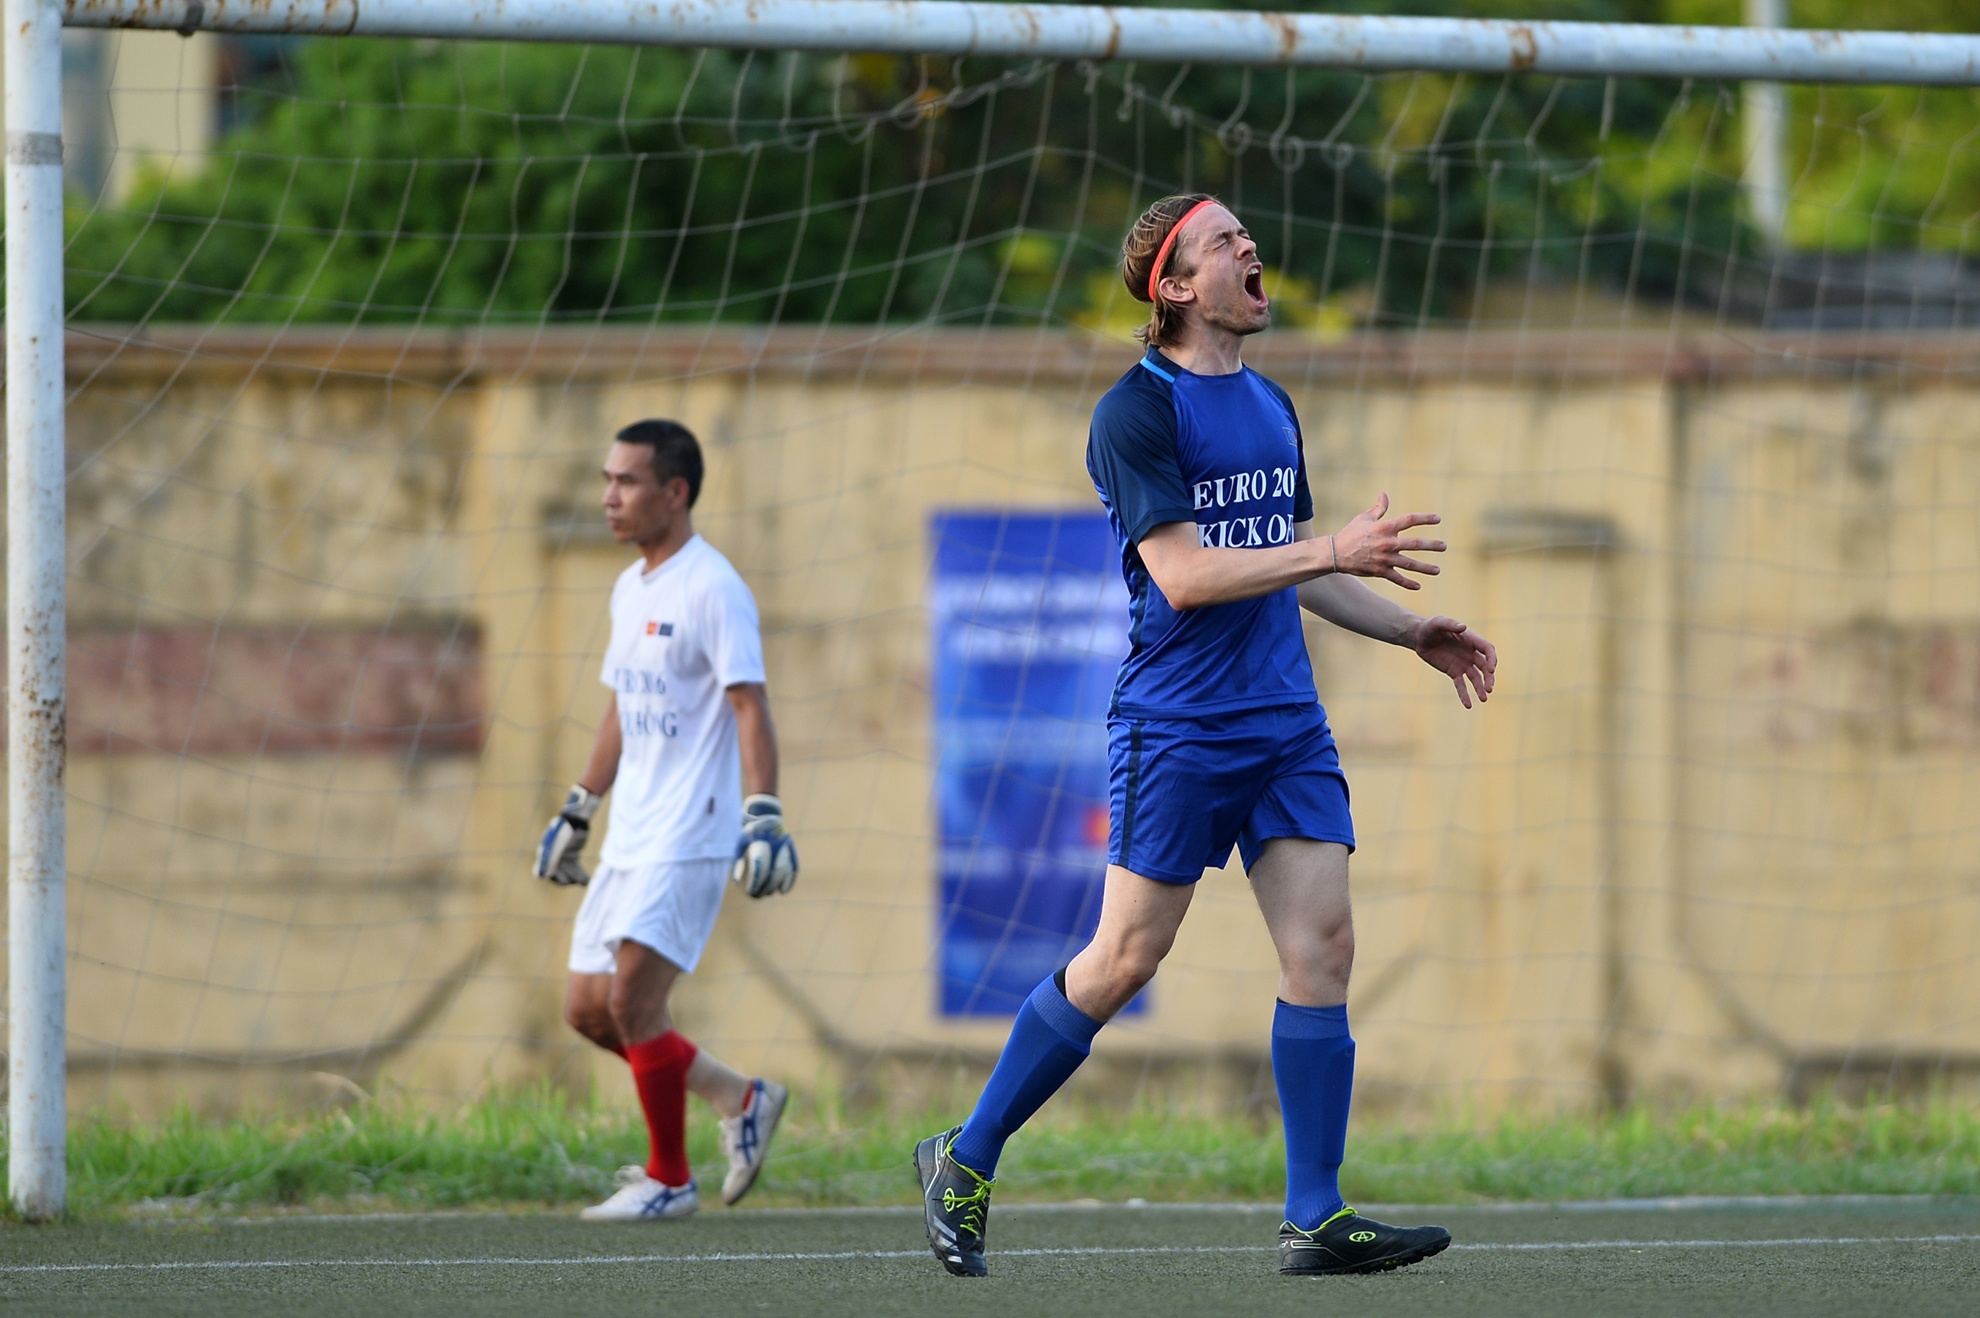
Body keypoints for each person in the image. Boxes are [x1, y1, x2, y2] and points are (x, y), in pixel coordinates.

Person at [914, 196, 1498, 1277]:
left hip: (1285, 726)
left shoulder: (1274, 403)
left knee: (1322, 949)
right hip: (1176, 727)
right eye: (1225, 241)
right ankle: (968, 1151)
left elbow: (1290, 565)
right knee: (1125, 956)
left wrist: (1411, 626)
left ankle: (1314, 1213)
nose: (1250, 249)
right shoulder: (1135, 411)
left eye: (1247, 238)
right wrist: (1332, 547)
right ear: (1175, 287)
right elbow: (1186, 576)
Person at [535, 418, 800, 1222]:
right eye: (606, 480)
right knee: (588, 1009)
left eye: (626, 481)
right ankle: (739, 1097)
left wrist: (764, 815)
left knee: (633, 1005)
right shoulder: (632, 587)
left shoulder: (712, 587)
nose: (609, 497)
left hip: (693, 830)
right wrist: (580, 807)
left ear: (674, 492)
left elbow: (749, 705)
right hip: (633, 833)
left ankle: (668, 1179)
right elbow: (623, 705)